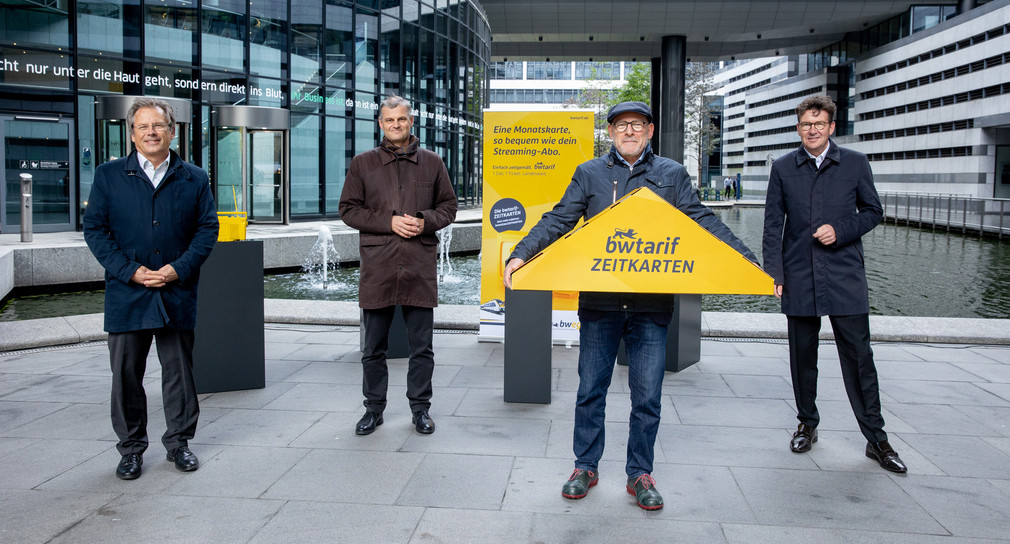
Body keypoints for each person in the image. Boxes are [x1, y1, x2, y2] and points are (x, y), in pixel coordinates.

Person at [503, 101, 756, 510]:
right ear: (611, 133)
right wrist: (521, 253)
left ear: (650, 131)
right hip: (600, 304)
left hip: (651, 306)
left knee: (648, 396)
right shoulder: (590, 174)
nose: (629, 131)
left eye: (637, 125)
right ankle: (585, 466)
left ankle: (639, 474)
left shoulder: (671, 175)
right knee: (590, 390)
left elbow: (703, 221)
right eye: (621, 126)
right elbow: (558, 219)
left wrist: (746, 259)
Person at [762, 95, 907, 473]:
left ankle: (876, 439)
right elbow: (772, 224)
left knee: (860, 359)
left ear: (831, 128)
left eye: (819, 124)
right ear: (799, 128)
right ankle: (807, 424)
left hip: (845, 274)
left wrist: (840, 230)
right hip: (798, 274)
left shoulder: (856, 164)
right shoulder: (782, 167)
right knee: (802, 356)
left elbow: (874, 211)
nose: (812, 130)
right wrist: (774, 273)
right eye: (806, 124)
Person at [83, 97, 218, 480]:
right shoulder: (109, 175)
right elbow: (94, 229)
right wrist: (131, 271)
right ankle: (130, 450)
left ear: (172, 132)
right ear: (132, 134)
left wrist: (177, 270)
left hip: (176, 290)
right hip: (128, 292)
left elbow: (208, 229)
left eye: (158, 126)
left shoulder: (194, 177)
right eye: (142, 127)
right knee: (126, 375)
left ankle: (179, 444)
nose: (151, 133)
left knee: (179, 373)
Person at [339, 95, 458, 437]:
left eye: (401, 120)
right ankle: (373, 410)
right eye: (389, 120)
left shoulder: (433, 163)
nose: (395, 125)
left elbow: (448, 208)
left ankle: (420, 410)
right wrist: (389, 221)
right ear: (380, 124)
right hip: (378, 266)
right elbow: (348, 210)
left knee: (422, 346)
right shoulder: (363, 164)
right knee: (373, 347)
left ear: (411, 121)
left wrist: (424, 221)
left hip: (419, 266)